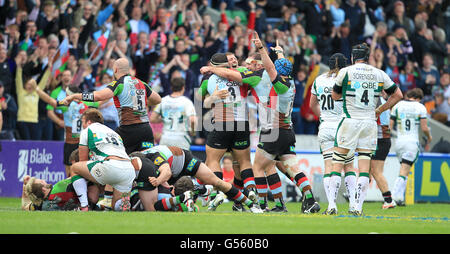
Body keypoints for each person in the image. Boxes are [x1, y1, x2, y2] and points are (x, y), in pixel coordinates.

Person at [201, 32, 321, 214]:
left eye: (249, 64)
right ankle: (308, 199)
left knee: (257, 166)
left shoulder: (260, 77)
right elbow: (278, 65)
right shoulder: (290, 81)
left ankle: (262, 204)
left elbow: (234, 74)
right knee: (288, 166)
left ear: (260, 65)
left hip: (272, 129)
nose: (246, 66)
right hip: (288, 130)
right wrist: (279, 52)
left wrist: (211, 69)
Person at [331, 43, 403, 216]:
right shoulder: (379, 73)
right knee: (364, 167)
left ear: (353, 58)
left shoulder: (346, 72)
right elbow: (398, 95)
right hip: (370, 122)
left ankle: (332, 205)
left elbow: (335, 95)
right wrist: (380, 109)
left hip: (349, 120)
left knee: (337, 162)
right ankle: (357, 207)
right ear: (368, 57)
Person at [62, 57, 162, 154]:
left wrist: (74, 96)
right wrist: (139, 103)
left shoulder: (118, 84)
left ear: (115, 70)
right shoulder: (141, 83)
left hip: (128, 130)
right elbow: (158, 99)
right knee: (147, 161)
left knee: (112, 155)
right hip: (146, 130)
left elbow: (98, 96)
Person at [197, 52, 258, 210]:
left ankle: (217, 191)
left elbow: (199, 100)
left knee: (212, 160)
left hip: (222, 123)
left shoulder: (209, 79)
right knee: (243, 162)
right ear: (228, 64)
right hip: (242, 123)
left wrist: (212, 98)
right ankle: (250, 190)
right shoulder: (242, 75)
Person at [139, 145, 263, 213]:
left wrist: (158, 182)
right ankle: (202, 192)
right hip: (172, 167)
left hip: (184, 160)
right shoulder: (140, 159)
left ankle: (251, 205)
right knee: (167, 200)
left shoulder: (151, 158)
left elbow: (166, 172)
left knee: (217, 182)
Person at [309, 53, 357, 215]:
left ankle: (331, 205)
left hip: (325, 126)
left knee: (328, 167)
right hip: (343, 126)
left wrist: (322, 116)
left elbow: (312, 105)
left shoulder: (319, 80)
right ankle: (353, 205)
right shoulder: (347, 79)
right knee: (348, 166)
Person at [69, 108, 137, 211]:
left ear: (89, 122)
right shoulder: (113, 132)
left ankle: (84, 207)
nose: (82, 125)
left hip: (111, 166)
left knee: (74, 168)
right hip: (128, 169)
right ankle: (123, 204)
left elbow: (83, 161)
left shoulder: (87, 130)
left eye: (83, 122)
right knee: (116, 206)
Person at [32, 83, 100, 177]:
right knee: (85, 169)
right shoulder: (87, 103)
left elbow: (51, 101)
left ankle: (71, 189)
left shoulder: (66, 104)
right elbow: (101, 101)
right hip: (85, 142)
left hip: (70, 142)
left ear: (69, 95)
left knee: (69, 171)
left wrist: (37, 89)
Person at [21, 149, 100, 211]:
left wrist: (25, 187)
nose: (44, 180)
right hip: (90, 203)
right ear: (43, 189)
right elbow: (78, 177)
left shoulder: (41, 205)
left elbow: (25, 206)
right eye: (42, 181)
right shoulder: (60, 186)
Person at [390, 88, 432, 206]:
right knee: (404, 170)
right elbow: (424, 128)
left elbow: (390, 125)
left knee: (404, 169)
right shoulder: (420, 107)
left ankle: (399, 198)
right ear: (419, 98)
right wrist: (429, 137)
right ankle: (392, 197)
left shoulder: (398, 106)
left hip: (398, 142)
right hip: (411, 143)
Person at [150, 77, 197, 150]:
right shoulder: (187, 102)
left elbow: (152, 119)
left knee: (166, 161)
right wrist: (193, 132)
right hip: (181, 139)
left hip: (165, 138)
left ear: (171, 87)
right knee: (182, 161)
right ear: (183, 87)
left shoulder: (163, 100)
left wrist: (166, 118)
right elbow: (193, 120)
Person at [370, 93, 397, 209]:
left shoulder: (375, 100)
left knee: (376, 171)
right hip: (382, 139)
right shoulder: (383, 100)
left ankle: (389, 200)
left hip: (379, 140)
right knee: (367, 170)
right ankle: (355, 195)